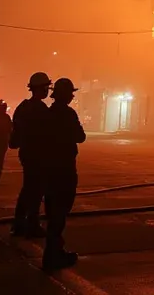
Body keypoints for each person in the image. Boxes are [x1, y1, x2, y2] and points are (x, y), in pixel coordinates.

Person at [43, 77, 86, 271]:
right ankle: (53, 256)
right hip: (64, 168)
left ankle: (53, 252)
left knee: (53, 211)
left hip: (48, 167)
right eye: (70, 94)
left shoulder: (47, 114)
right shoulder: (68, 114)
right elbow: (80, 137)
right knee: (60, 212)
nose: (71, 97)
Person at [10, 72, 52, 238]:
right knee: (35, 190)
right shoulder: (40, 109)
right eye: (46, 88)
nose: (47, 91)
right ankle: (31, 225)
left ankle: (19, 223)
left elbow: (16, 135)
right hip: (37, 154)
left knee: (28, 189)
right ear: (40, 89)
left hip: (27, 153)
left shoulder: (23, 107)